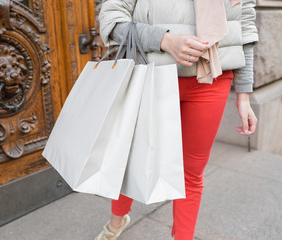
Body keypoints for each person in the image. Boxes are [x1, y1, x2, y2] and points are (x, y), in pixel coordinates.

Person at [96, 0, 259, 239]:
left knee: (192, 171)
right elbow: (111, 19)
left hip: (213, 80)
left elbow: (244, 28)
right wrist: (164, 39)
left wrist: (244, 96)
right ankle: (116, 222)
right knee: (133, 157)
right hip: (152, 75)